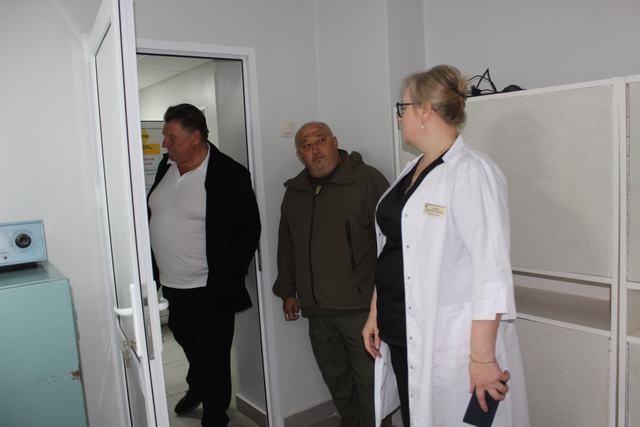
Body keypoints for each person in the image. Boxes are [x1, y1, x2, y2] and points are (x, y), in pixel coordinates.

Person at [362, 65, 529, 426]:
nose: (399, 117)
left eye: (402, 107)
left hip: (447, 337)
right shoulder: (412, 170)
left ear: (424, 111)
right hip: (400, 328)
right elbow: (395, 248)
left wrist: (482, 358)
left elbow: (491, 272)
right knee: (415, 416)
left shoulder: (472, 173)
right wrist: (376, 312)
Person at [147, 103, 261, 427]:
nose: (164, 143)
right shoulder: (166, 166)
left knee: (213, 357)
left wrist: (229, 273)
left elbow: (249, 229)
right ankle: (196, 387)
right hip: (172, 285)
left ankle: (214, 416)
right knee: (189, 344)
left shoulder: (229, 173)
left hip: (209, 287)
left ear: (195, 136)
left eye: (171, 137)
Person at [273, 122, 390, 426]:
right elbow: (287, 244)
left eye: (321, 140)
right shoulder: (295, 191)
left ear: (335, 142)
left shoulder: (367, 180)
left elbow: (393, 240)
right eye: (306, 146)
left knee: (370, 384)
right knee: (337, 382)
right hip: (317, 311)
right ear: (299, 155)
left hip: (361, 310)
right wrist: (287, 291)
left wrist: (386, 297)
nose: (315, 150)